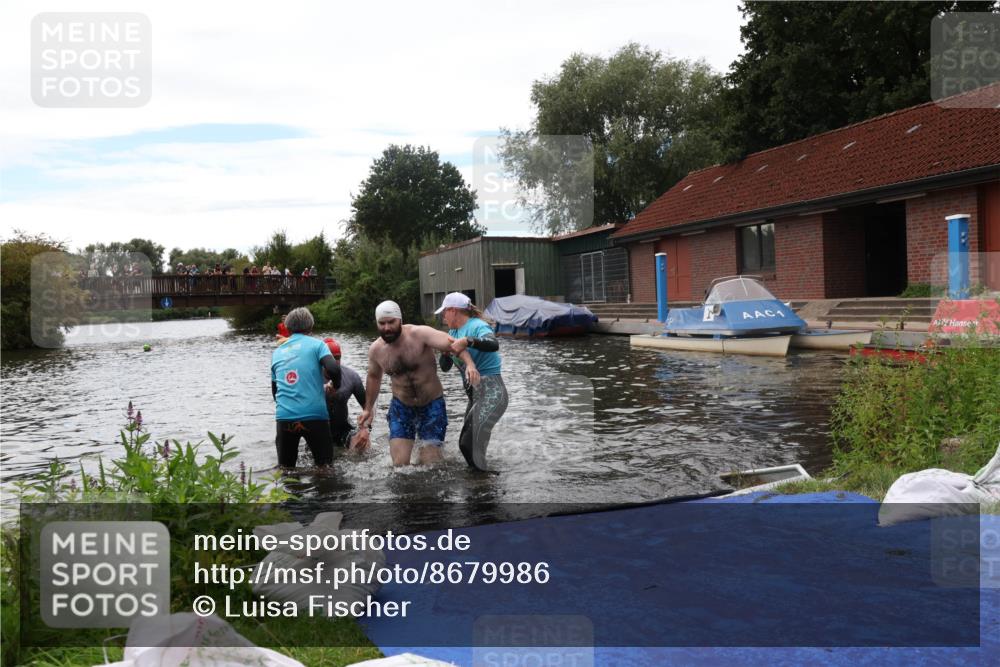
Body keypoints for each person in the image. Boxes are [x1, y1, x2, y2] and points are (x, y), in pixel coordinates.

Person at [357, 300, 478, 466]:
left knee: (430, 463)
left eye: (391, 322)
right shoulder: (376, 350)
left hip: (431, 405)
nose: (386, 328)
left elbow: (453, 344)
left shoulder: (420, 334)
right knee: (400, 465)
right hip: (401, 407)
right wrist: (367, 409)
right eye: (382, 323)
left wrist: (470, 365)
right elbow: (373, 377)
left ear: (400, 319)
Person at [436, 292, 508, 471]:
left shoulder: (477, 326)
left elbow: (493, 344)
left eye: (445, 312)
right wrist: (445, 353)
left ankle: (483, 480)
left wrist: (468, 341)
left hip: (492, 393)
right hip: (475, 397)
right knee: (474, 447)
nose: (443, 316)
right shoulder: (452, 332)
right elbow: (445, 367)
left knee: (466, 444)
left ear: (453, 311)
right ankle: (484, 483)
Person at [270, 307, 342, 468]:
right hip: (314, 416)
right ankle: (325, 490)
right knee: (325, 468)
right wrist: (336, 385)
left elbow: (275, 392)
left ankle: (290, 492)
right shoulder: (318, 345)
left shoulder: (277, 352)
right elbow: (334, 369)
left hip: (285, 417)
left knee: (286, 469)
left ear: (287, 328)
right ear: (311, 326)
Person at [320, 338, 368, 450]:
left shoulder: (351, 376)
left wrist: (365, 428)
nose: (334, 362)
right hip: (318, 430)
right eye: (330, 358)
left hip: (343, 428)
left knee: (364, 445)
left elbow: (367, 405)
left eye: (337, 358)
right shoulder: (311, 377)